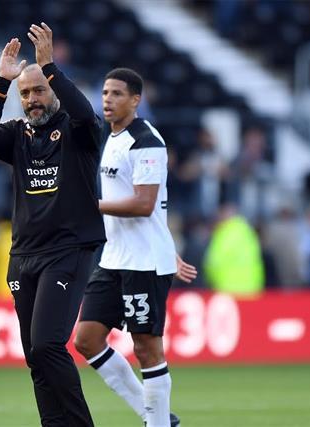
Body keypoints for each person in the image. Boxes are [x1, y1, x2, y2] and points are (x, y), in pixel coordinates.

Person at [0, 23, 105, 426]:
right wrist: (1, 82)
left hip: (69, 250)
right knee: (35, 355)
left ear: (52, 90)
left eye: (38, 90)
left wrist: (50, 68)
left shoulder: (79, 131)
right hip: (24, 255)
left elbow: (84, 112)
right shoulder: (17, 135)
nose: (31, 99)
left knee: (48, 344)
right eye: (24, 94)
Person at [72, 68, 197, 427]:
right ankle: (153, 414)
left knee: (146, 347)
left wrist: (89, 204)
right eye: (105, 92)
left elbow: (145, 204)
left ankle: (157, 424)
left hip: (144, 262)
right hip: (114, 258)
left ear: (135, 100)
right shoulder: (111, 137)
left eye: (116, 94)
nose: (107, 100)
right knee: (87, 339)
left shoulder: (147, 142)